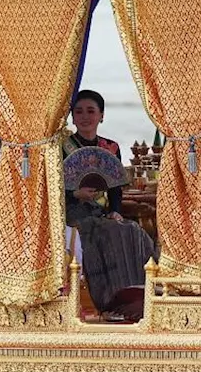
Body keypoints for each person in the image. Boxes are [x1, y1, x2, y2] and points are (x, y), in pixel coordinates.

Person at [61, 90, 153, 320]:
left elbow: (115, 188)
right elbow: (53, 186)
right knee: (101, 233)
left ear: (101, 115)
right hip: (70, 210)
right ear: (72, 116)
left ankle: (134, 293)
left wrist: (115, 212)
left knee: (133, 231)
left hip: (100, 212)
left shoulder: (110, 148)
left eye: (91, 111)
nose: (85, 117)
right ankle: (104, 300)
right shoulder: (62, 147)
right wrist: (75, 194)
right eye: (79, 111)